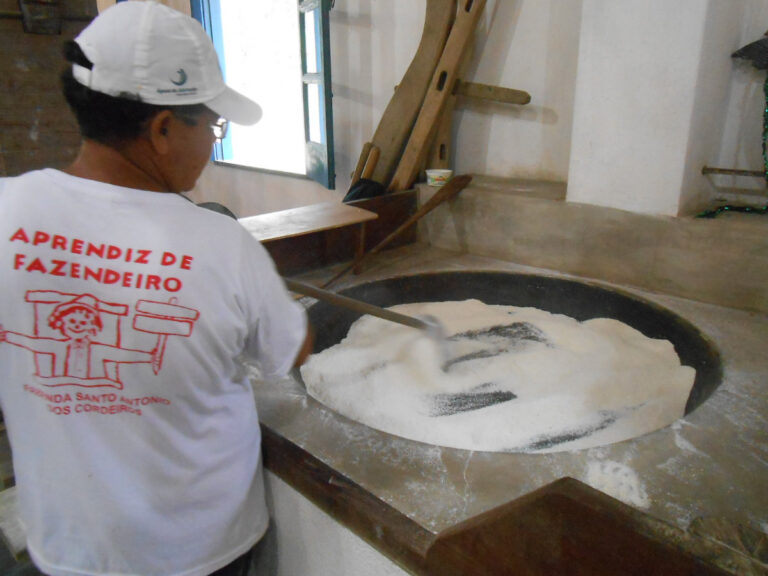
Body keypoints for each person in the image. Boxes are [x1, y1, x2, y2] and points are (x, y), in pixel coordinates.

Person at [0, 2, 313, 575]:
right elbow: (291, 352)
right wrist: (269, 299)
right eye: (212, 126)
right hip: (200, 551)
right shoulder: (222, 244)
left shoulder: (4, 211)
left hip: (70, 548)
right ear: (164, 129)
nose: (213, 143)